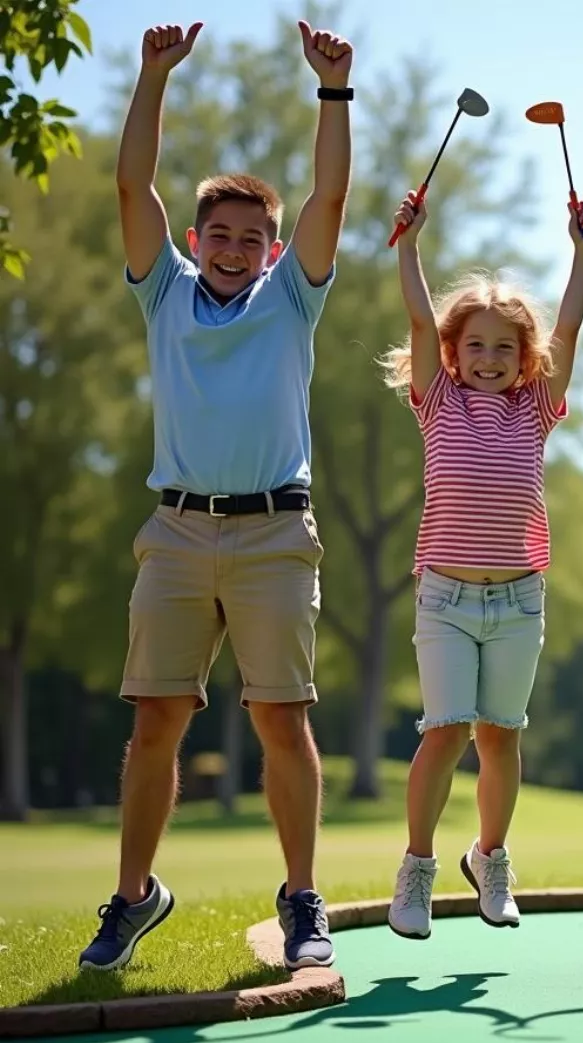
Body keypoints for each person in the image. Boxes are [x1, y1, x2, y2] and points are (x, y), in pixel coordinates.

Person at [78, 20, 353, 973]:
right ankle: (132, 897)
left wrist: (333, 93)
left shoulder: (293, 298)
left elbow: (331, 194)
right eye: (221, 236)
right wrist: (151, 74)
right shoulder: (165, 293)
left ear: (273, 252)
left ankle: (302, 900)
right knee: (155, 720)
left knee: (283, 719)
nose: (235, 249)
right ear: (198, 241)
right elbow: (131, 186)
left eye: (252, 239)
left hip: (277, 533)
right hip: (177, 533)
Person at [380, 193, 583, 940]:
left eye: (506, 348)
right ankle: (415, 869)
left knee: (499, 736)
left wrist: (581, 253)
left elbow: (568, 329)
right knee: (444, 731)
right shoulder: (437, 400)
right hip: (444, 598)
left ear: (525, 359)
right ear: (452, 353)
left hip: (518, 600)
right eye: (476, 346)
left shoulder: (534, 408)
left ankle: (492, 857)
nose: (490, 359)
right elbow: (415, 318)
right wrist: (408, 245)